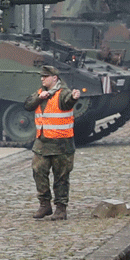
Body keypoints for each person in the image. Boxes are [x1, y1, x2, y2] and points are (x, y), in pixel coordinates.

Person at [23, 66, 80, 221]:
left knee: (61, 177)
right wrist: (39, 98)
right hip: (42, 142)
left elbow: (67, 103)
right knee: (38, 172)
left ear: (54, 78)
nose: (42, 79)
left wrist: (74, 98)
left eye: (46, 76)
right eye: (42, 76)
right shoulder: (41, 92)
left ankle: (61, 208)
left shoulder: (64, 93)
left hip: (61, 144)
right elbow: (28, 105)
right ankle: (44, 204)